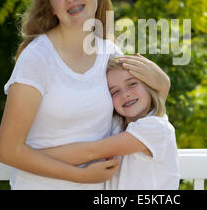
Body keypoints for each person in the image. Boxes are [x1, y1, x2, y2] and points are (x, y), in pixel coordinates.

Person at [0, 0, 171, 190]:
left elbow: (136, 127)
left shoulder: (111, 54)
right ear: (51, 7)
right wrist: (79, 176)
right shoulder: (37, 58)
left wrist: (162, 88)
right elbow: (8, 152)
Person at [39, 57, 180, 190]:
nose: (125, 94)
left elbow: (90, 152)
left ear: (149, 87)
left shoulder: (156, 128)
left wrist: (31, 157)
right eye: (115, 92)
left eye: (132, 84)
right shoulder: (118, 126)